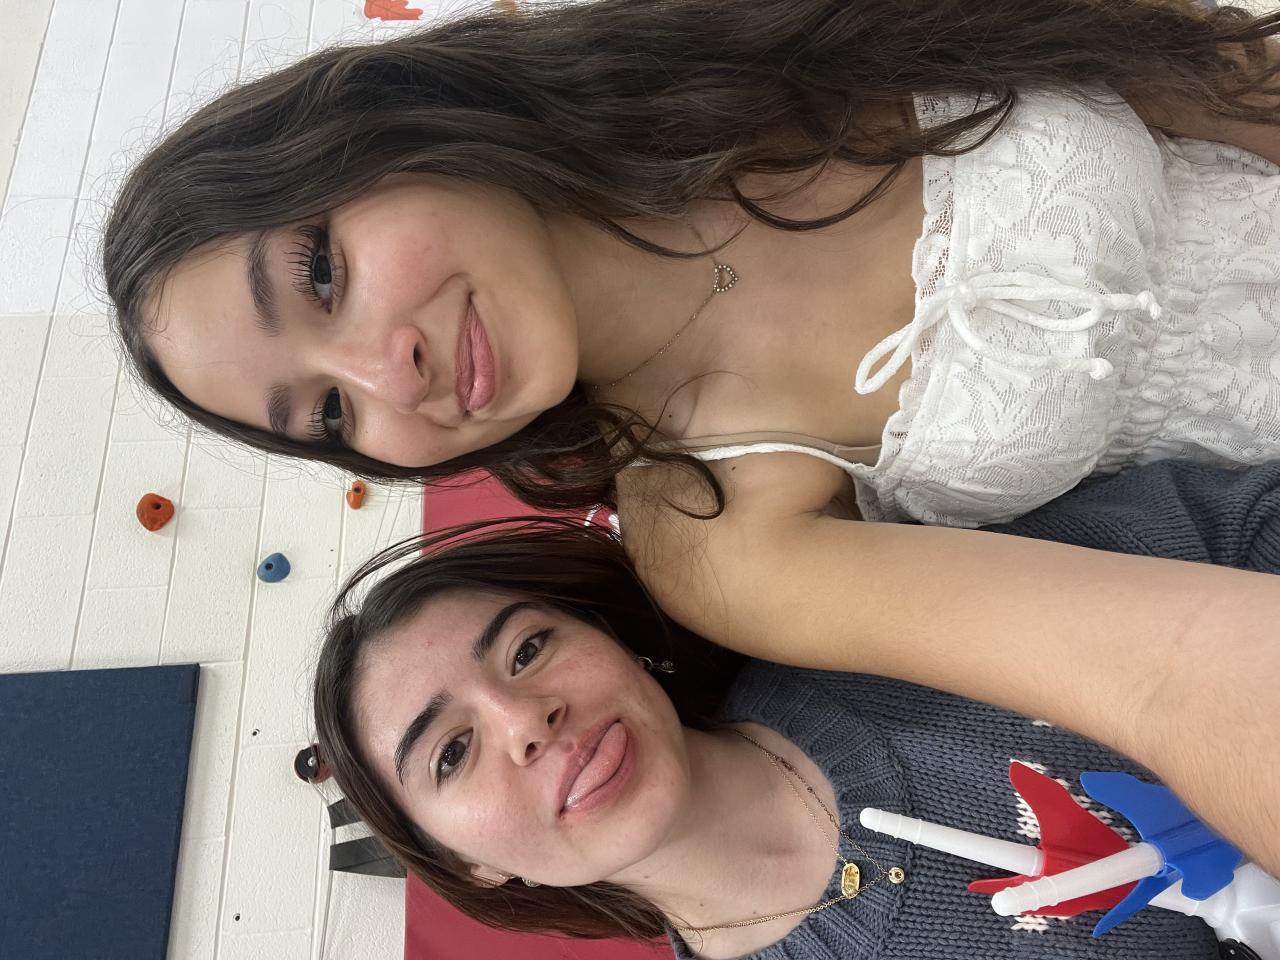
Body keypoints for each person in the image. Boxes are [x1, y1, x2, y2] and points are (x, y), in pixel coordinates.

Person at [104, 0, 1280, 870]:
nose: (383, 373)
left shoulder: (751, 40)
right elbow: (1167, 674)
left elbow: (1213, 69)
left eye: (320, 272)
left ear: (379, 129)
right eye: (327, 413)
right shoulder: (710, 538)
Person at [313, 458, 1280, 959]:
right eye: (451, 753)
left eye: (527, 649)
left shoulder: (840, 623)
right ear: (466, 864)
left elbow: (1233, 527)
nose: (526, 720)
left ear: (610, 639)